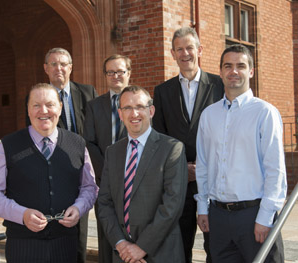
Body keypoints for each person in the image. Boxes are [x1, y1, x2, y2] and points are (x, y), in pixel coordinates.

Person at [0, 83, 98, 263]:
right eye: (36, 105)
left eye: (50, 104)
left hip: (66, 246)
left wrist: (79, 208)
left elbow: (89, 187)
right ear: (28, 110)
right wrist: (21, 214)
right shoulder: (9, 145)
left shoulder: (78, 144)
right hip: (23, 247)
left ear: (60, 107)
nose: (43, 111)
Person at [195, 44, 287, 262]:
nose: (233, 71)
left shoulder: (265, 113)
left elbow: (275, 170)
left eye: (240, 66)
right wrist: (202, 207)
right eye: (228, 66)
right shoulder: (209, 115)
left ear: (251, 71)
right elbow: (203, 165)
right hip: (218, 217)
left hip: (254, 215)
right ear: (220, 72)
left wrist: (266, 216)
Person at [152, 27, 224, 262]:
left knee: (216, 246)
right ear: (172, 54)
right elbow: (159, 137)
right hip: (178, 184)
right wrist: (183, 167)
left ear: (199, 50)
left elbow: (226, 134)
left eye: (189, 48)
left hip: (213, 182)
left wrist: (201, 168)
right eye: (179, 49)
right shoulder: (162, 92)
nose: (185, 54)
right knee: (179, 248)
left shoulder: (220, 86)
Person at [98, 85, 188, 263]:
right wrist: (121, 244)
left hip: (160, 254)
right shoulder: (112, 152)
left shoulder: (172, 149)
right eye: (128, 108)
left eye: (140, 107)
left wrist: (141, 248)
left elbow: (172, 205)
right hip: (122, 255)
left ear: (151, 110)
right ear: (120, 113)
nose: (134, 114)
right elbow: (104, 203)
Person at [26, 47, 98, 262]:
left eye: (64, 64)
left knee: (80, 230)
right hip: (52, 171)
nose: (59, 68)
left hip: (82, 169)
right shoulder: (35, 98)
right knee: (55, 230)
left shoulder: (88, 92)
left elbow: (94, 132)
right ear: (46, 69)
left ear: (71, 68)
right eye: (54, 64)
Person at [83, 54, 131, 262]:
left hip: (134, 180)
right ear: (105, 76)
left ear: (129, 73)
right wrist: (108, 174)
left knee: (133, 234)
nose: (115, 76)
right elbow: (90, 142)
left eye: (120, 71)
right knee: (106, 234)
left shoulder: (144, 103)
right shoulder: (94, 106)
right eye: (110, 72)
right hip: (104, 183)